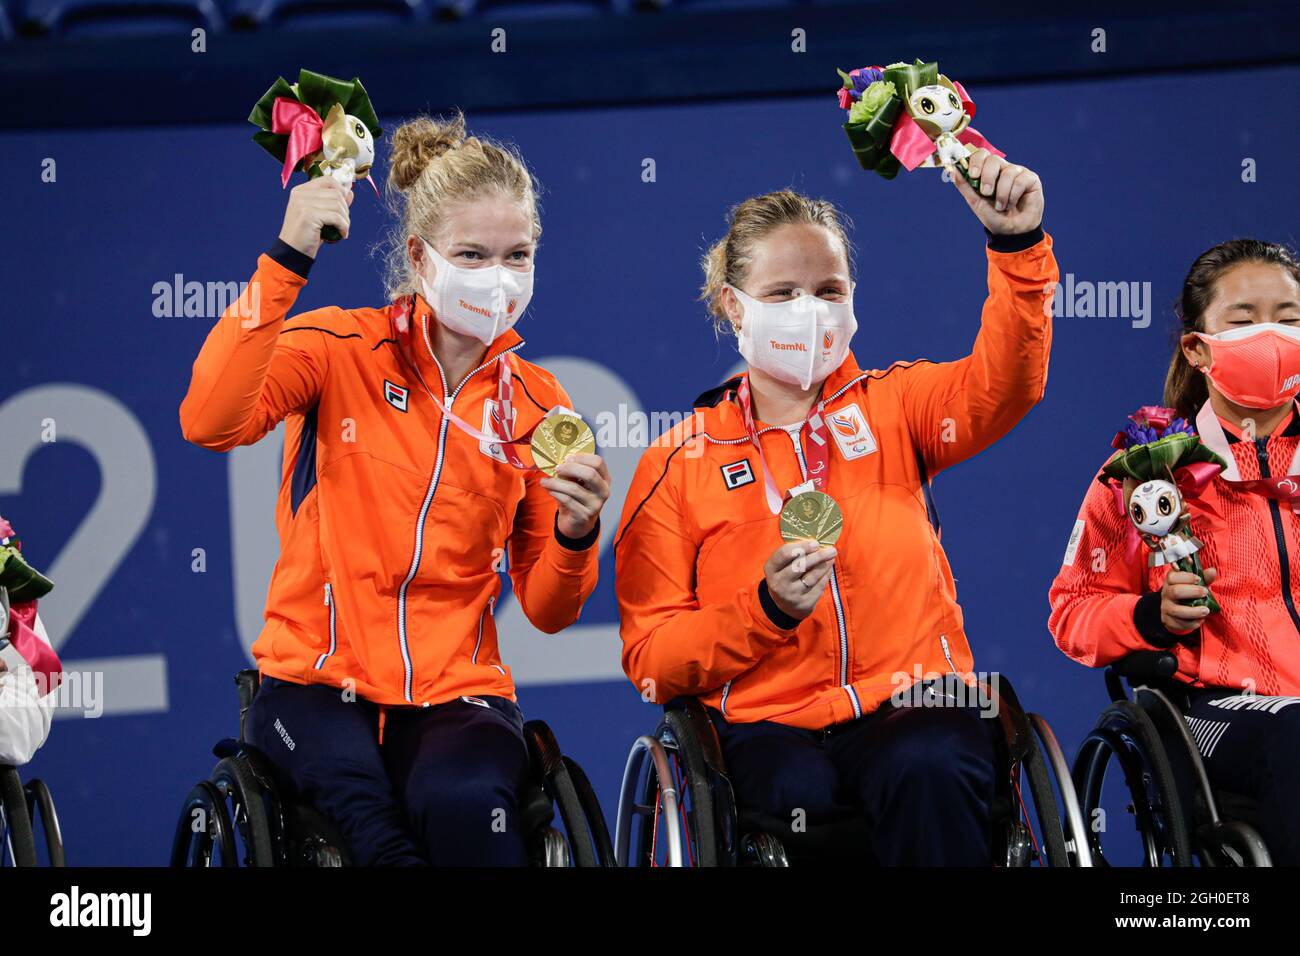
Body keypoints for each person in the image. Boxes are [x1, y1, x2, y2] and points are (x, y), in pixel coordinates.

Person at [180, 112, 610, 866]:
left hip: (457, 691)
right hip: (313, 682)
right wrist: (286, 259)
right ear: (419, 256)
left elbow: (547, 609)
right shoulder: (337, 348)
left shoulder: (541, 405)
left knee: (469, 806)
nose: (498, 277)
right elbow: (209, 420)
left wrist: (577, 534)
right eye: (472, 254)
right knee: (365, 826)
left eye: (518, 256)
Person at [614, 151, 1054, 865]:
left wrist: (1017, 247)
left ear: (853, 299)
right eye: (782, 293)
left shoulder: (897, 407)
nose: (809, 310)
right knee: (794, 794)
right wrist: (765, 612)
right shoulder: (676, 463)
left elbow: (1007, 385)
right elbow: (652, 660)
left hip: (911, 700)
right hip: (768, 725)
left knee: (929, 764)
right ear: (734, 306)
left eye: (828, 289)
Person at [1050, 239, 1300, 865]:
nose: (1269, 335)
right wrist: (1147, 618)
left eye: (1289, 319)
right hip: (1213, 707)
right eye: (1244, 321)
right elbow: (1073, 610)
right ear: (1197, 346)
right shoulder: (1144, 470)